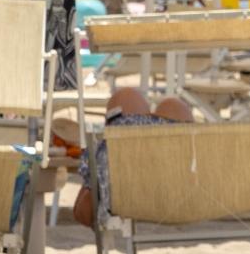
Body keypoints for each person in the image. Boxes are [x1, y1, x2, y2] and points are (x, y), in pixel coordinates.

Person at [71, 88, 196, 228]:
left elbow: (83, 214)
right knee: (173, 106)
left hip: (130, 196)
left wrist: (92, 177)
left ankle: (127, 143)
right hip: (181, 195)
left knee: (127, 96)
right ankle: (151, 148)